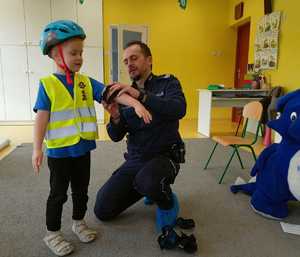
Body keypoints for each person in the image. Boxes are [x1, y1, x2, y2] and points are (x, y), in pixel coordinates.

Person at [32, 21, 151, 256]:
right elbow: (41, 118)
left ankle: (78, 222)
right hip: (59, 152)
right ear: (56, 54)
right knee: (57, 194)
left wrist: (136, 102)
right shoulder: (47, 85)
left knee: (81, 191)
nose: (79, 57)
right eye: (73, 53)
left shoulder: (86, 82)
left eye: (81, 52)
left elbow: (113, 92)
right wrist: (37, 149)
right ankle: (52, 233)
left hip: (82, 149)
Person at [94, 41, 187, 237]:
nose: (129, 64)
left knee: (149, 181)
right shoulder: (124, 97)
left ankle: (166, 198)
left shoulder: (168, 83)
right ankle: (148, 186)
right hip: (136, 159)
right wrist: (116, 116)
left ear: (149, 60)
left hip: (165, 156)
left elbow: (179, 109)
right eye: (126, 61)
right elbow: (115, 136)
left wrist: (140, 96)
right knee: (102, 209)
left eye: (134, 58)